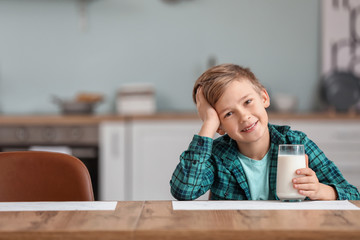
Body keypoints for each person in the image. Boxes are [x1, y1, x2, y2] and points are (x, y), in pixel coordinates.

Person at [170, 63, 360, 201]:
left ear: (264, 97)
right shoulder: (216, 155)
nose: (244, 117)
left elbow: (353, 195)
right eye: (228, 114)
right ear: (219, 126)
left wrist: (320, 190)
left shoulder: (296, 143)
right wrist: (209, 123)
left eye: (248, 102)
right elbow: (184, 191)